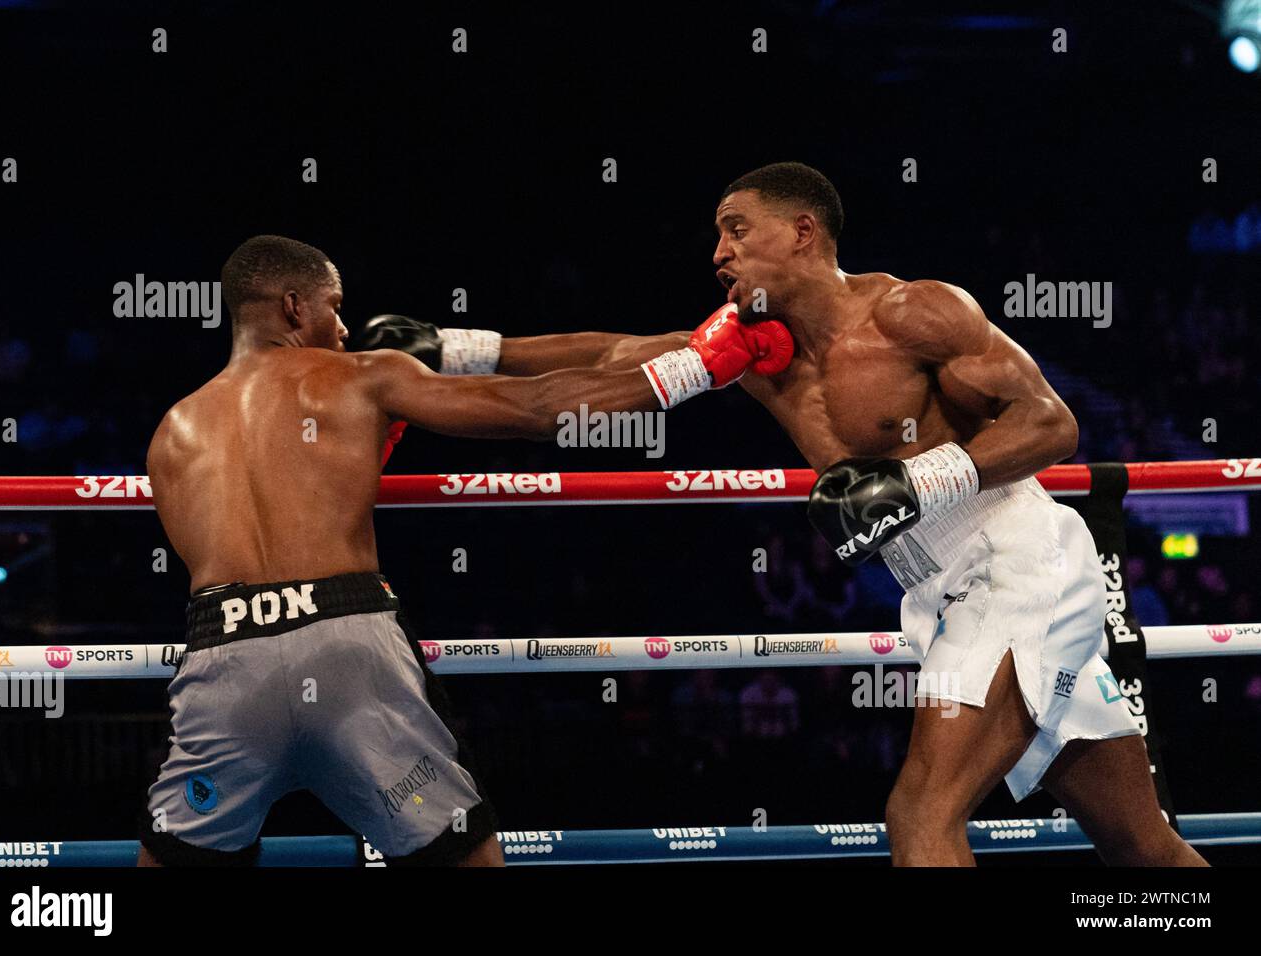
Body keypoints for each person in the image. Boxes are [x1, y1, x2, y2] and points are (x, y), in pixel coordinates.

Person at [366, 162, 1206, 866]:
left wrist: (924, 480)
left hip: (1018, 560)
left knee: (920, 815)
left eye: (737, 230)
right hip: (941, 586)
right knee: (1140, 843)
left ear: (803, 232)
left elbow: (1052, 422)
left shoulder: (913, 312)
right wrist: (453, 348)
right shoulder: (756, 351)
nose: (720, 252)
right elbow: (614, 352)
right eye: (719, 236)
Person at [138, 234, 789, 867]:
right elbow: (538, 408)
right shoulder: (359, 376)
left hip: (223, 662)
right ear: (293, 306)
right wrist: (697, 366)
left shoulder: (174, 430)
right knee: (463, 856)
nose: (343, 330)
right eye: (334, 310)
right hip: (345, 649)